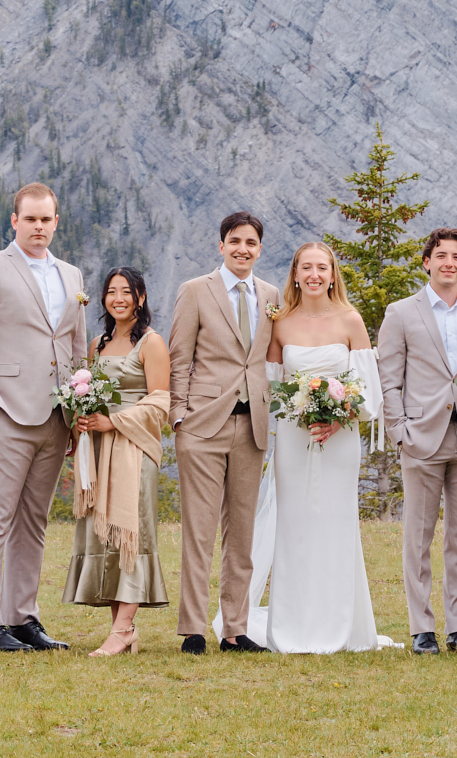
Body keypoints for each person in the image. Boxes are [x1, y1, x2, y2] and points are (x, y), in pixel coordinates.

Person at [0, 182, 87, 651]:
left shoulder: (72, 276)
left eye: (46, 219)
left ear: (56, 221)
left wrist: (75, 410)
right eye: (29, 219)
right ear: (14, 221)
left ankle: (22, 616)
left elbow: (74, 346)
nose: (38, 227)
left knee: (34, 519)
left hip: (55, 415)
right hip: (4, 410)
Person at [241, 242, 386, 652]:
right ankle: (293, 624)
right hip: (293, 435)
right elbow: (270, 381)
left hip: (340, 440)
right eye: (307, 267)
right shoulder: (282, 322)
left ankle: (339, 624)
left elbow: (367, 389)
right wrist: (302, 412)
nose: (315, 275)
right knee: (295, 525)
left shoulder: (351, 320)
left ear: (333, 273)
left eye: (322, 267)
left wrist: (338, 417)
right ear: (295, 273)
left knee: (335, 524)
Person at [374, 227, 457, 655]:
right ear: (426, 262)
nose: (449, 262)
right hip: (420, 437)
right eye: (440, 255)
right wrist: (399, 431)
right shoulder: (401, 312)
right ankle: (421, 627)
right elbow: (388, 379)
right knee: (419, 535)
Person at [166, 210, 278, 654]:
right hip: (202, 425)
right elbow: (179, 356)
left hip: (252, 425)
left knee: (243, 532)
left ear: (259, 249)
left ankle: (235, 628)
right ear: (221, 246)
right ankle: (193, 628)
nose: (242, 249)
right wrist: (178, 416)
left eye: (250, 243)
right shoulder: (196, 291)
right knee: (199, 529)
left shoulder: (270, 295)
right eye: (234, 241)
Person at [63, 268, 173, 654]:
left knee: (131, 530)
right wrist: (81, 418)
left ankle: (123, 627)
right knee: (105, 531)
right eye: (112, 292)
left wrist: (115, 421)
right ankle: (121, 630)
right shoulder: (97, 345)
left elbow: (161, 401)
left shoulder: (151, 343)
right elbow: (87, 393)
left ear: (140, 298)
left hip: (132, 448)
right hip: (97, 448)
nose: (119, 298)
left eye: (127, 291)